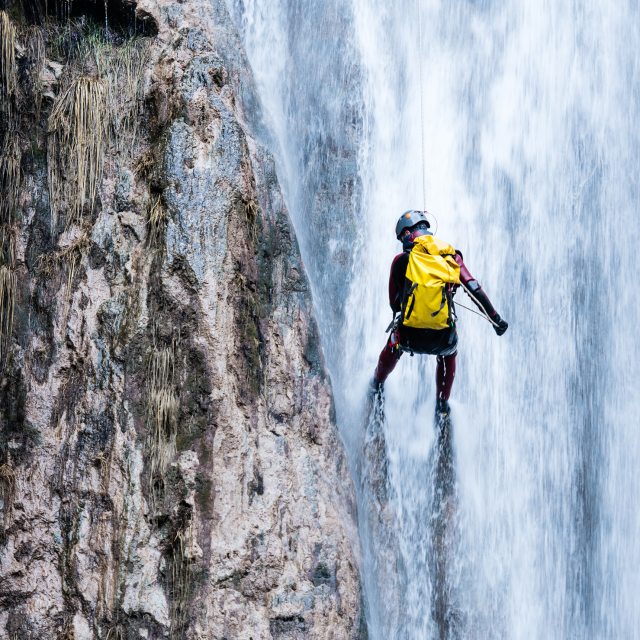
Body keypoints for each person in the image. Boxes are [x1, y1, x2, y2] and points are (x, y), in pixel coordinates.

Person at [371, 210, 508, 415]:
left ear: (408, 232)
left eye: (401, 236)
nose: (402, 240)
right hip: (442, 339)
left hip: (408, 336)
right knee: (449, 353)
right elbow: (474, 288)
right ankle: (442, 405)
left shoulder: (399, 261)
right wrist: (495, 319)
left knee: (394, 342)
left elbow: (394, 305)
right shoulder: (450, 256)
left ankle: (376, 384)